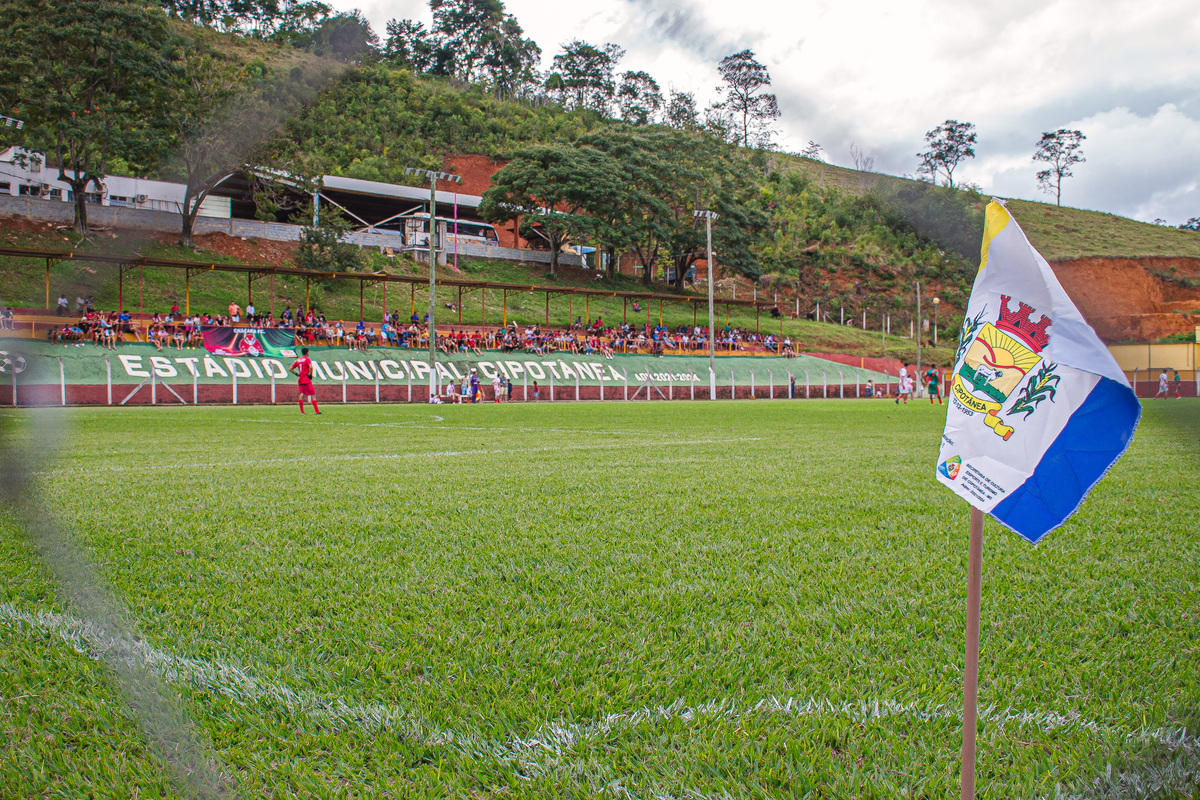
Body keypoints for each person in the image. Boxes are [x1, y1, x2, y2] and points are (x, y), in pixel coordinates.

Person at [289, 347, 320, 415]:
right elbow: (311, 367)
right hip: (306, 378)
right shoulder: (307, 359)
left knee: (301, 394)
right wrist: (310, 375)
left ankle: (302, 412)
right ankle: (316, 411)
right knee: (313, 394)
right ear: (307, 352)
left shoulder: (298, 360)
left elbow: (290, 369)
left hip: (300, 379)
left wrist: (297, 374)